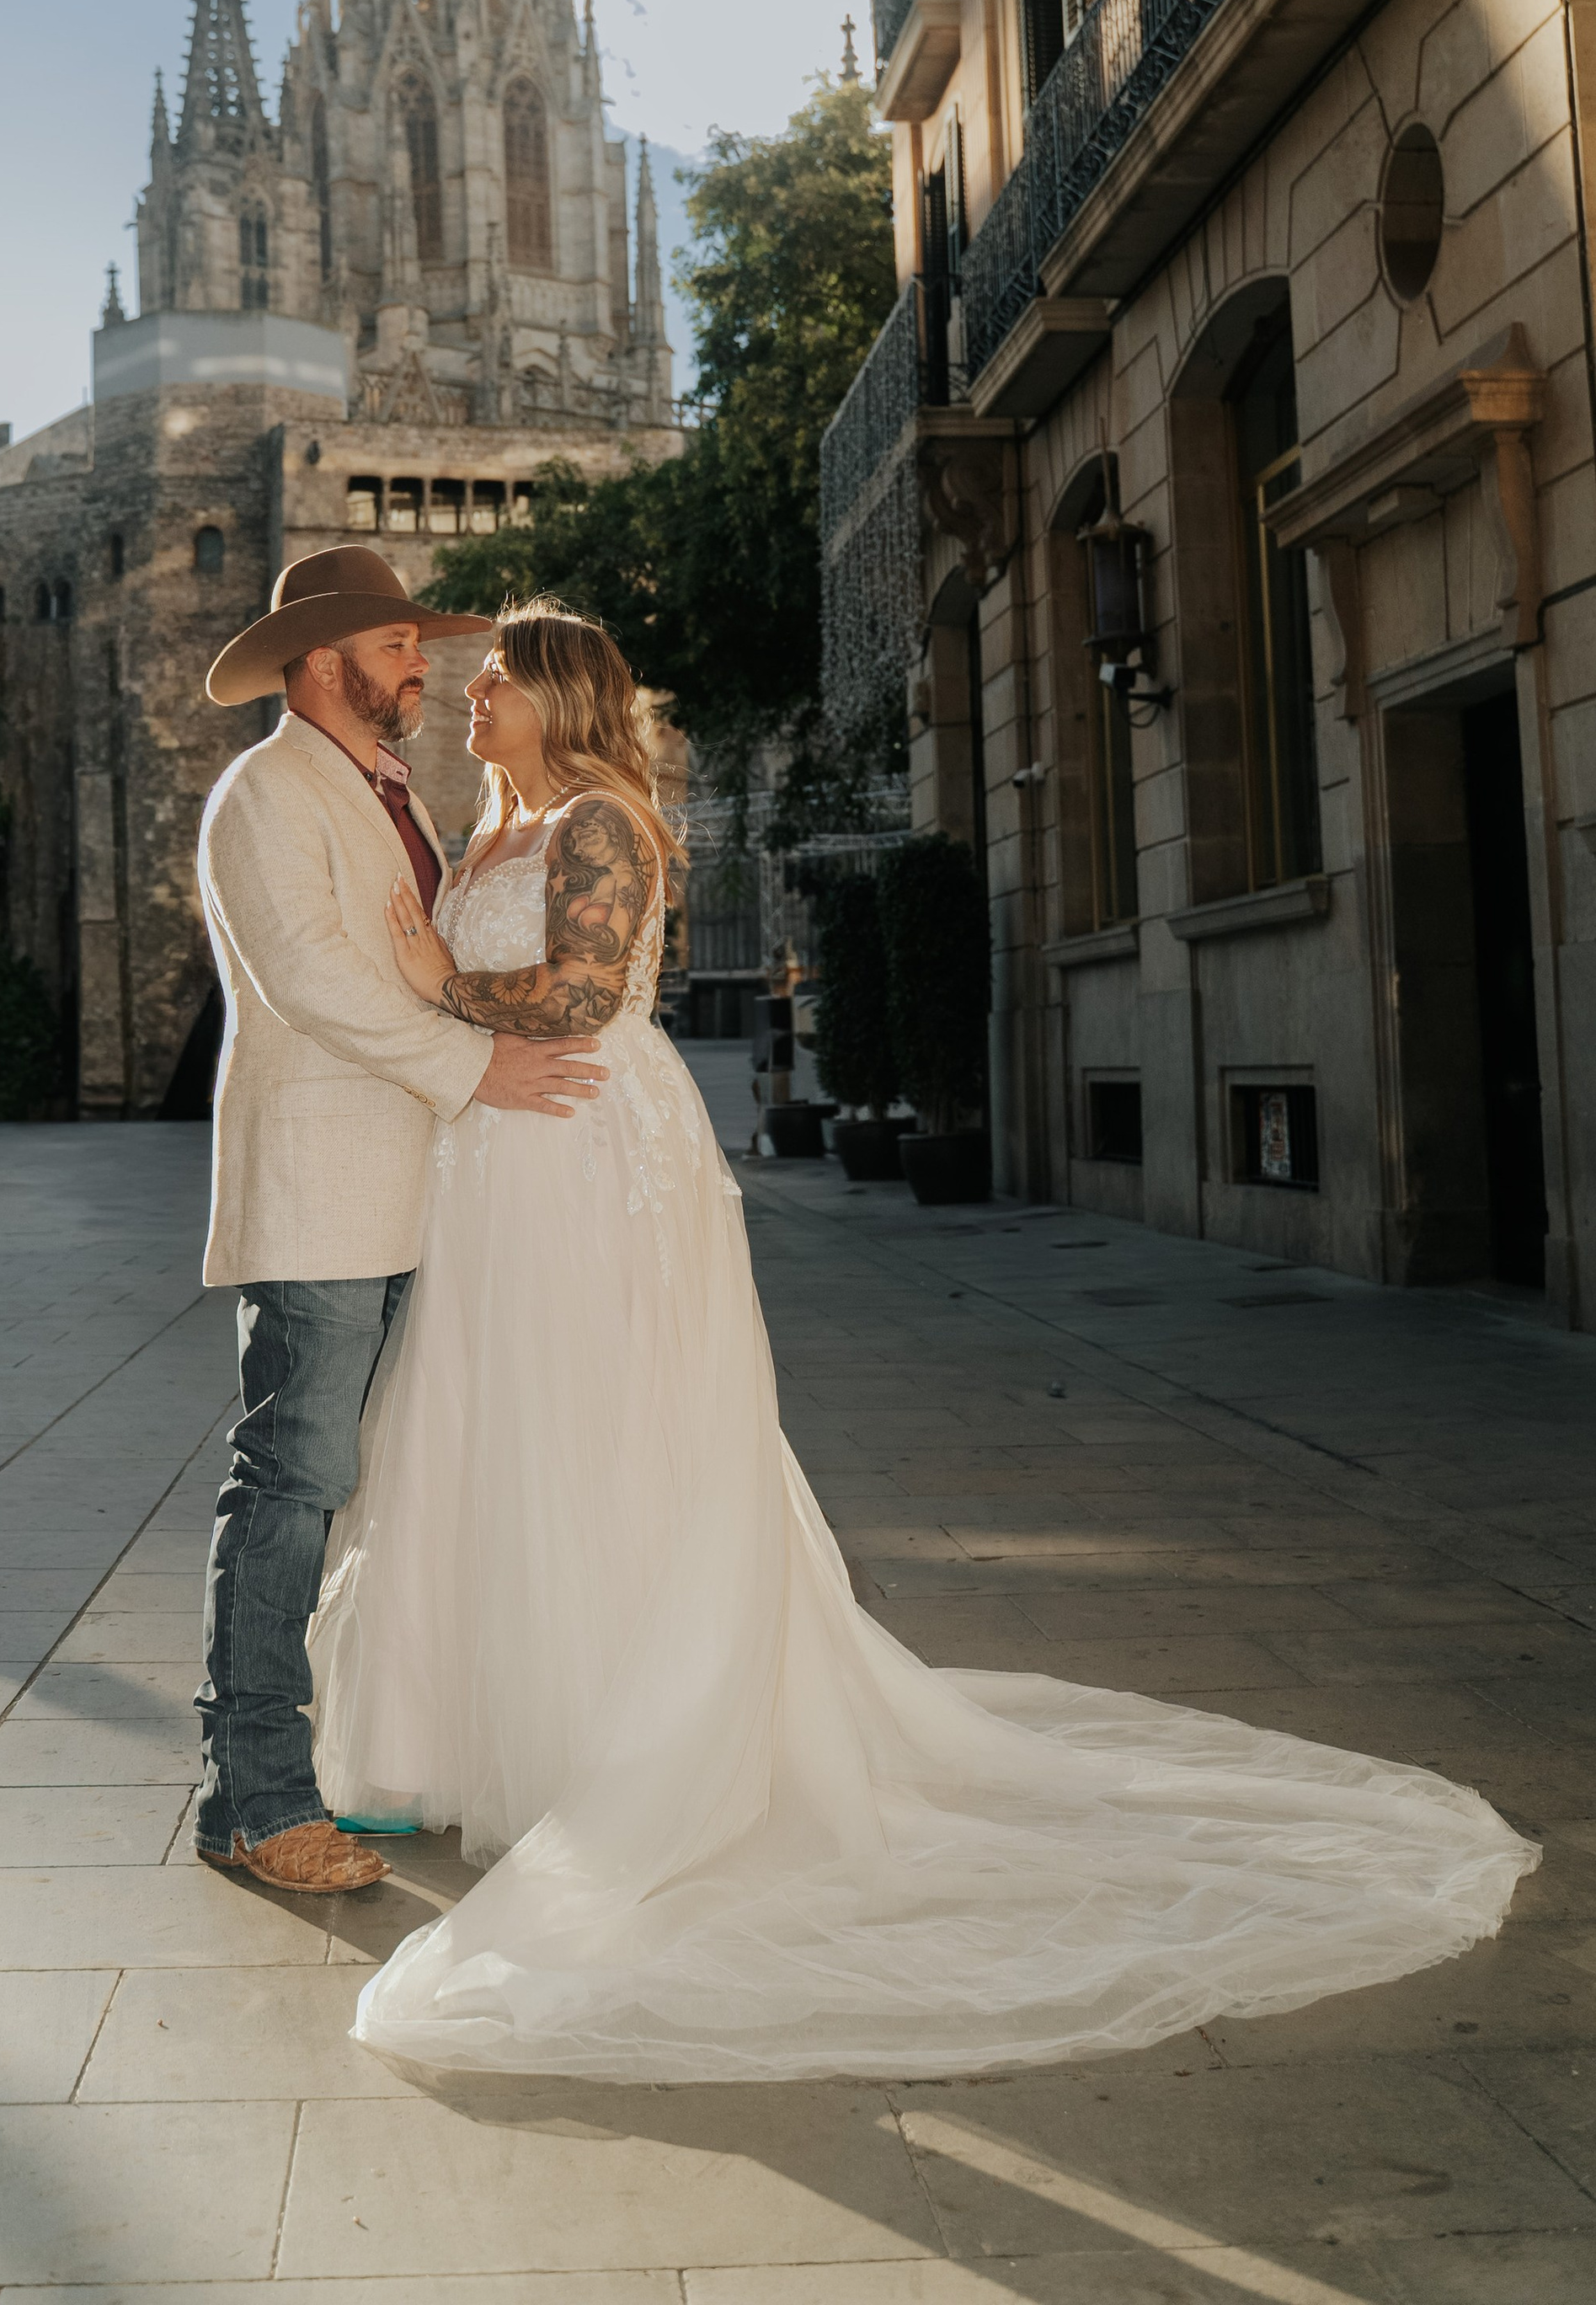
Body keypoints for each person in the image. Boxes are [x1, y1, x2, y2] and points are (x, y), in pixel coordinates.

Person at [307, 596, 1539, 2078]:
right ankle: (467, 1730)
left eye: (496, 678)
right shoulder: (488, 833)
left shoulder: (605, 822)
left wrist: (434, 981)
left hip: (590, 1157)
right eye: (469, 680)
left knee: (603, 1421)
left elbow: (577, 992)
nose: (468, 696)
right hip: (491, 1164)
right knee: (478, 1423)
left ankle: (625, 1738)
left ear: (567, 697)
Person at [192, 546, 606, 1897]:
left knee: (382, 1487)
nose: (418, 664)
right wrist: (474, 1068)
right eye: (393, 646)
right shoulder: (265, 794)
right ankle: (254, 1798)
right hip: (320, 1197)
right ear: (322, 662)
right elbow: (313, 979)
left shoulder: (391, 794)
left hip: (416, 1192)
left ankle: (406, 1754)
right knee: (291, 1485)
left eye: (418, 645)